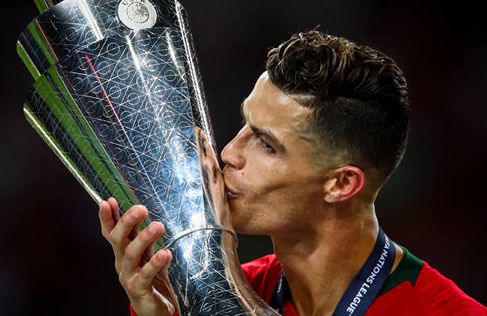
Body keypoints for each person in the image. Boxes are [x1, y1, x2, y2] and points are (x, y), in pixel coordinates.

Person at [98, 30, 487, 316]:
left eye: (267, 145)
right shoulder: (191, 295)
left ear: (341, 183)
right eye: (243, 125)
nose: (229, 153)